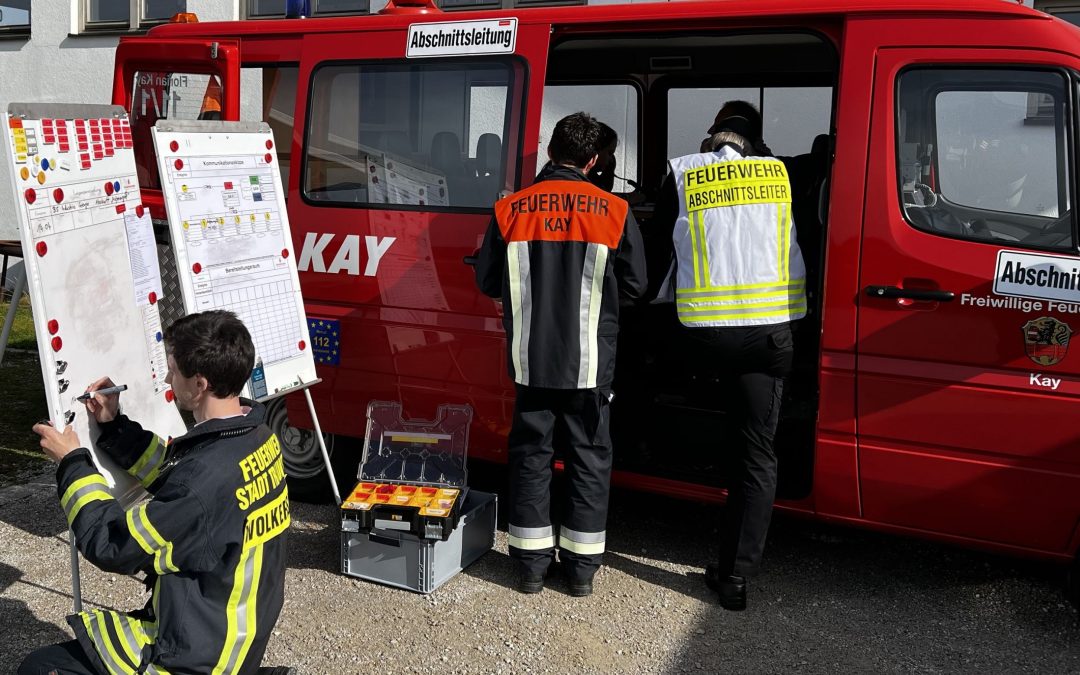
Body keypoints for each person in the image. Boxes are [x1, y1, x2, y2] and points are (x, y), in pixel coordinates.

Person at [20, 310, 293, 675]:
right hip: (230, 632)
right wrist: (115, 427)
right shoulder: (253, 435)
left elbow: (111, 543)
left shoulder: (203, 482)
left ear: (200, 384)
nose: (167, 378)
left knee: (40, 668)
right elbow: (177, 474)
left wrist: (72, 462)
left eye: (173, 369)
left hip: (199, 657)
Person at [475, 112, 647, 597]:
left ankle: (529, 568)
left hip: (530, 361)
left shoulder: (510, 209)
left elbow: (488, 280)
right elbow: (636, 286)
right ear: (593, 161)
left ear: (550, 152)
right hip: (591, 364)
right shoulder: (613, 210)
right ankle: (580, 573)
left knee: (531, 455)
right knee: (589, 458)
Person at [651, 101, 806, 611]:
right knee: (757, 454)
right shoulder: (782, 177)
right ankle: (735, 578)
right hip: (767, 339)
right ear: (755, 144)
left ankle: (662, 464)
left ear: (711, 137)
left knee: (659, 380)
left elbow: (658, 254)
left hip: (702, 336)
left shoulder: (684, 175)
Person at [587, 122, 619, 192]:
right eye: (610, 153)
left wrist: (609, 171)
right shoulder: (586, 180)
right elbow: (603, 192)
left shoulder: (592, 176)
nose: (610, 159)